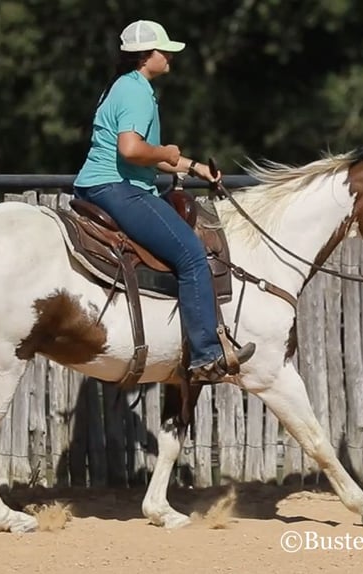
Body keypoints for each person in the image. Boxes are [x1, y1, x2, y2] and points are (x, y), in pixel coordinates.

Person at [73, 20, 255, 381]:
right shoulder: (137, 92)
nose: (169, 55)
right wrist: (167, 150)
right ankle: (206, 355)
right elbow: (131, 150)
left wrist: (193, 166)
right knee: (190, 254)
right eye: (163, 50)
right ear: (144, 56)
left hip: (100, 185)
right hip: (118, 187)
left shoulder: (123, 87)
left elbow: (141, 152)